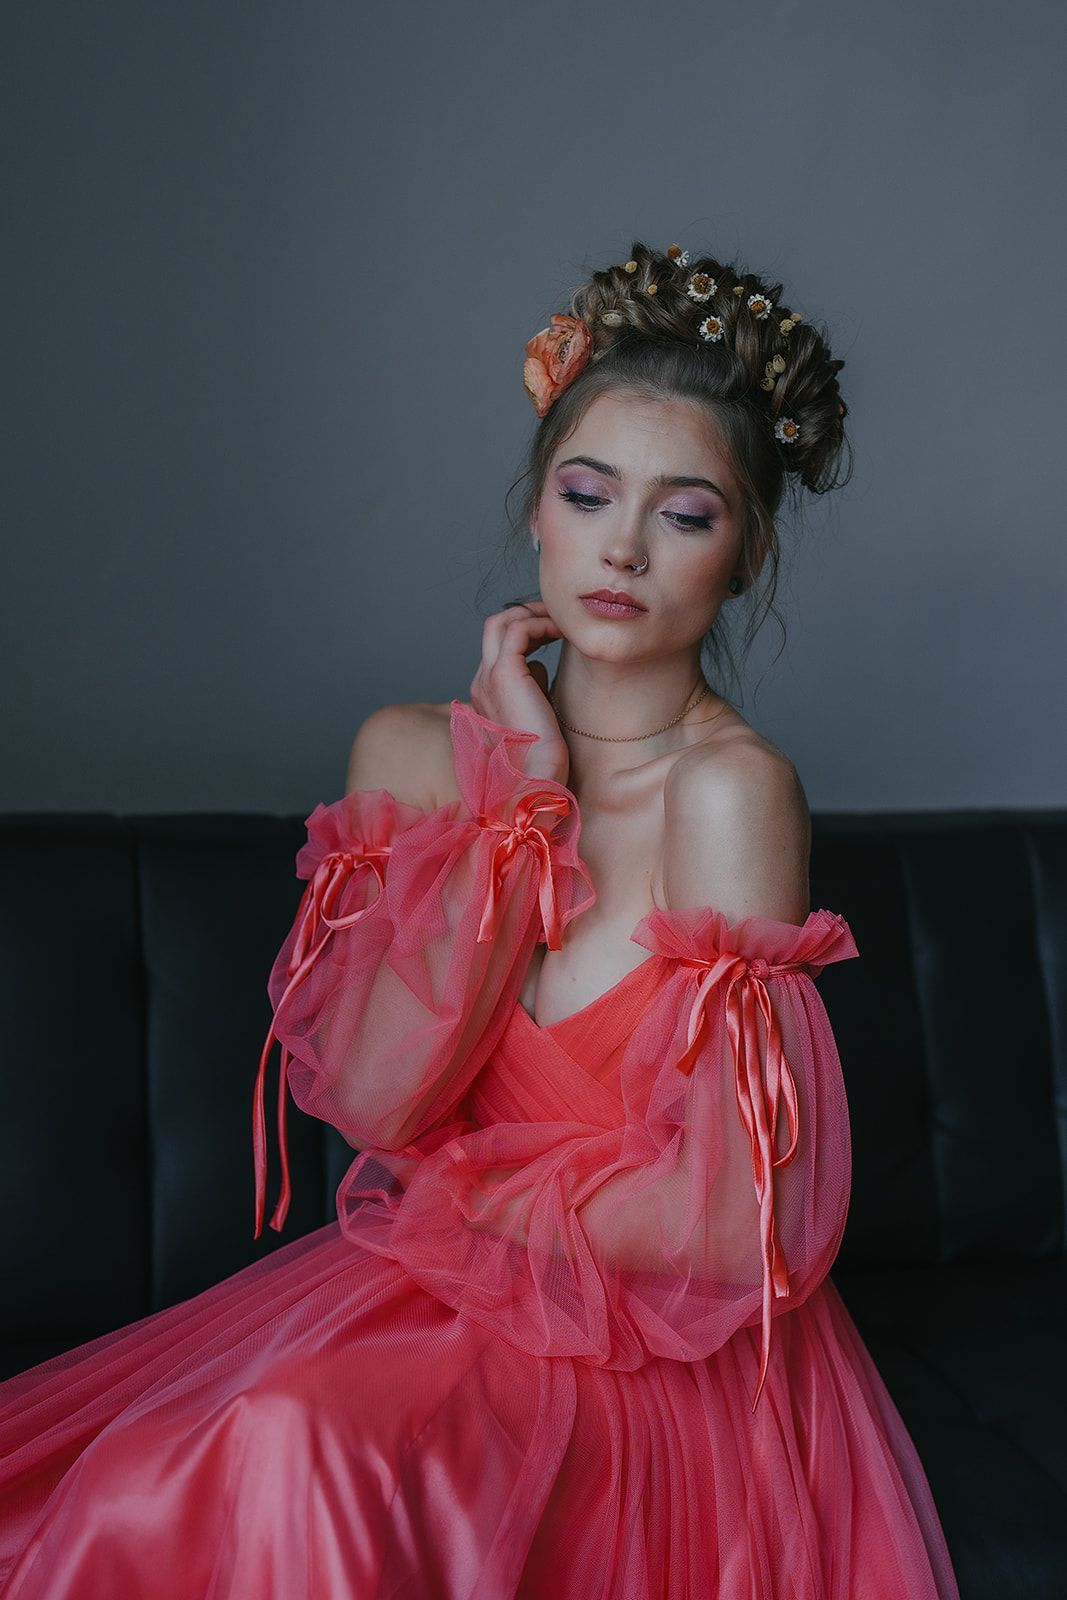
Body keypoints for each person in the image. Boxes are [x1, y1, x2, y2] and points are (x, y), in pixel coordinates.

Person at [0, 238, 962, 1599]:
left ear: (743, 556)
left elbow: (741, 1221)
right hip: (436, 1303)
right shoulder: (413, 758)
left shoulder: (733, 793)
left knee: (291, 1451)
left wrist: (469, 1199)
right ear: (538, 515)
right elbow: (386, 1106)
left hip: (653, 1361)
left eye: (685, 514)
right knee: (168, 1478)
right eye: (588, 494)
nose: (622, 547)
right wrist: (523, 809)